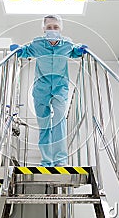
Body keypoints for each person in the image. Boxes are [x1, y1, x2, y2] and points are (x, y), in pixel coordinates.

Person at [10, 15, 88, 166]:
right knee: (44, 125)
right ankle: (46, 161)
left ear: (61, 29)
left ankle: (60, 160)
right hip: (41, 89)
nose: (52, 30)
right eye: (49, 27)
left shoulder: (66, 44)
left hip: (60, 88)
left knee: (59, 122)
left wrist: (80, 51)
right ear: (44, 29)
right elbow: (26, 51)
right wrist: (19, 51)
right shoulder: (38, 44)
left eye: (55, 27)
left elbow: (73, 52)